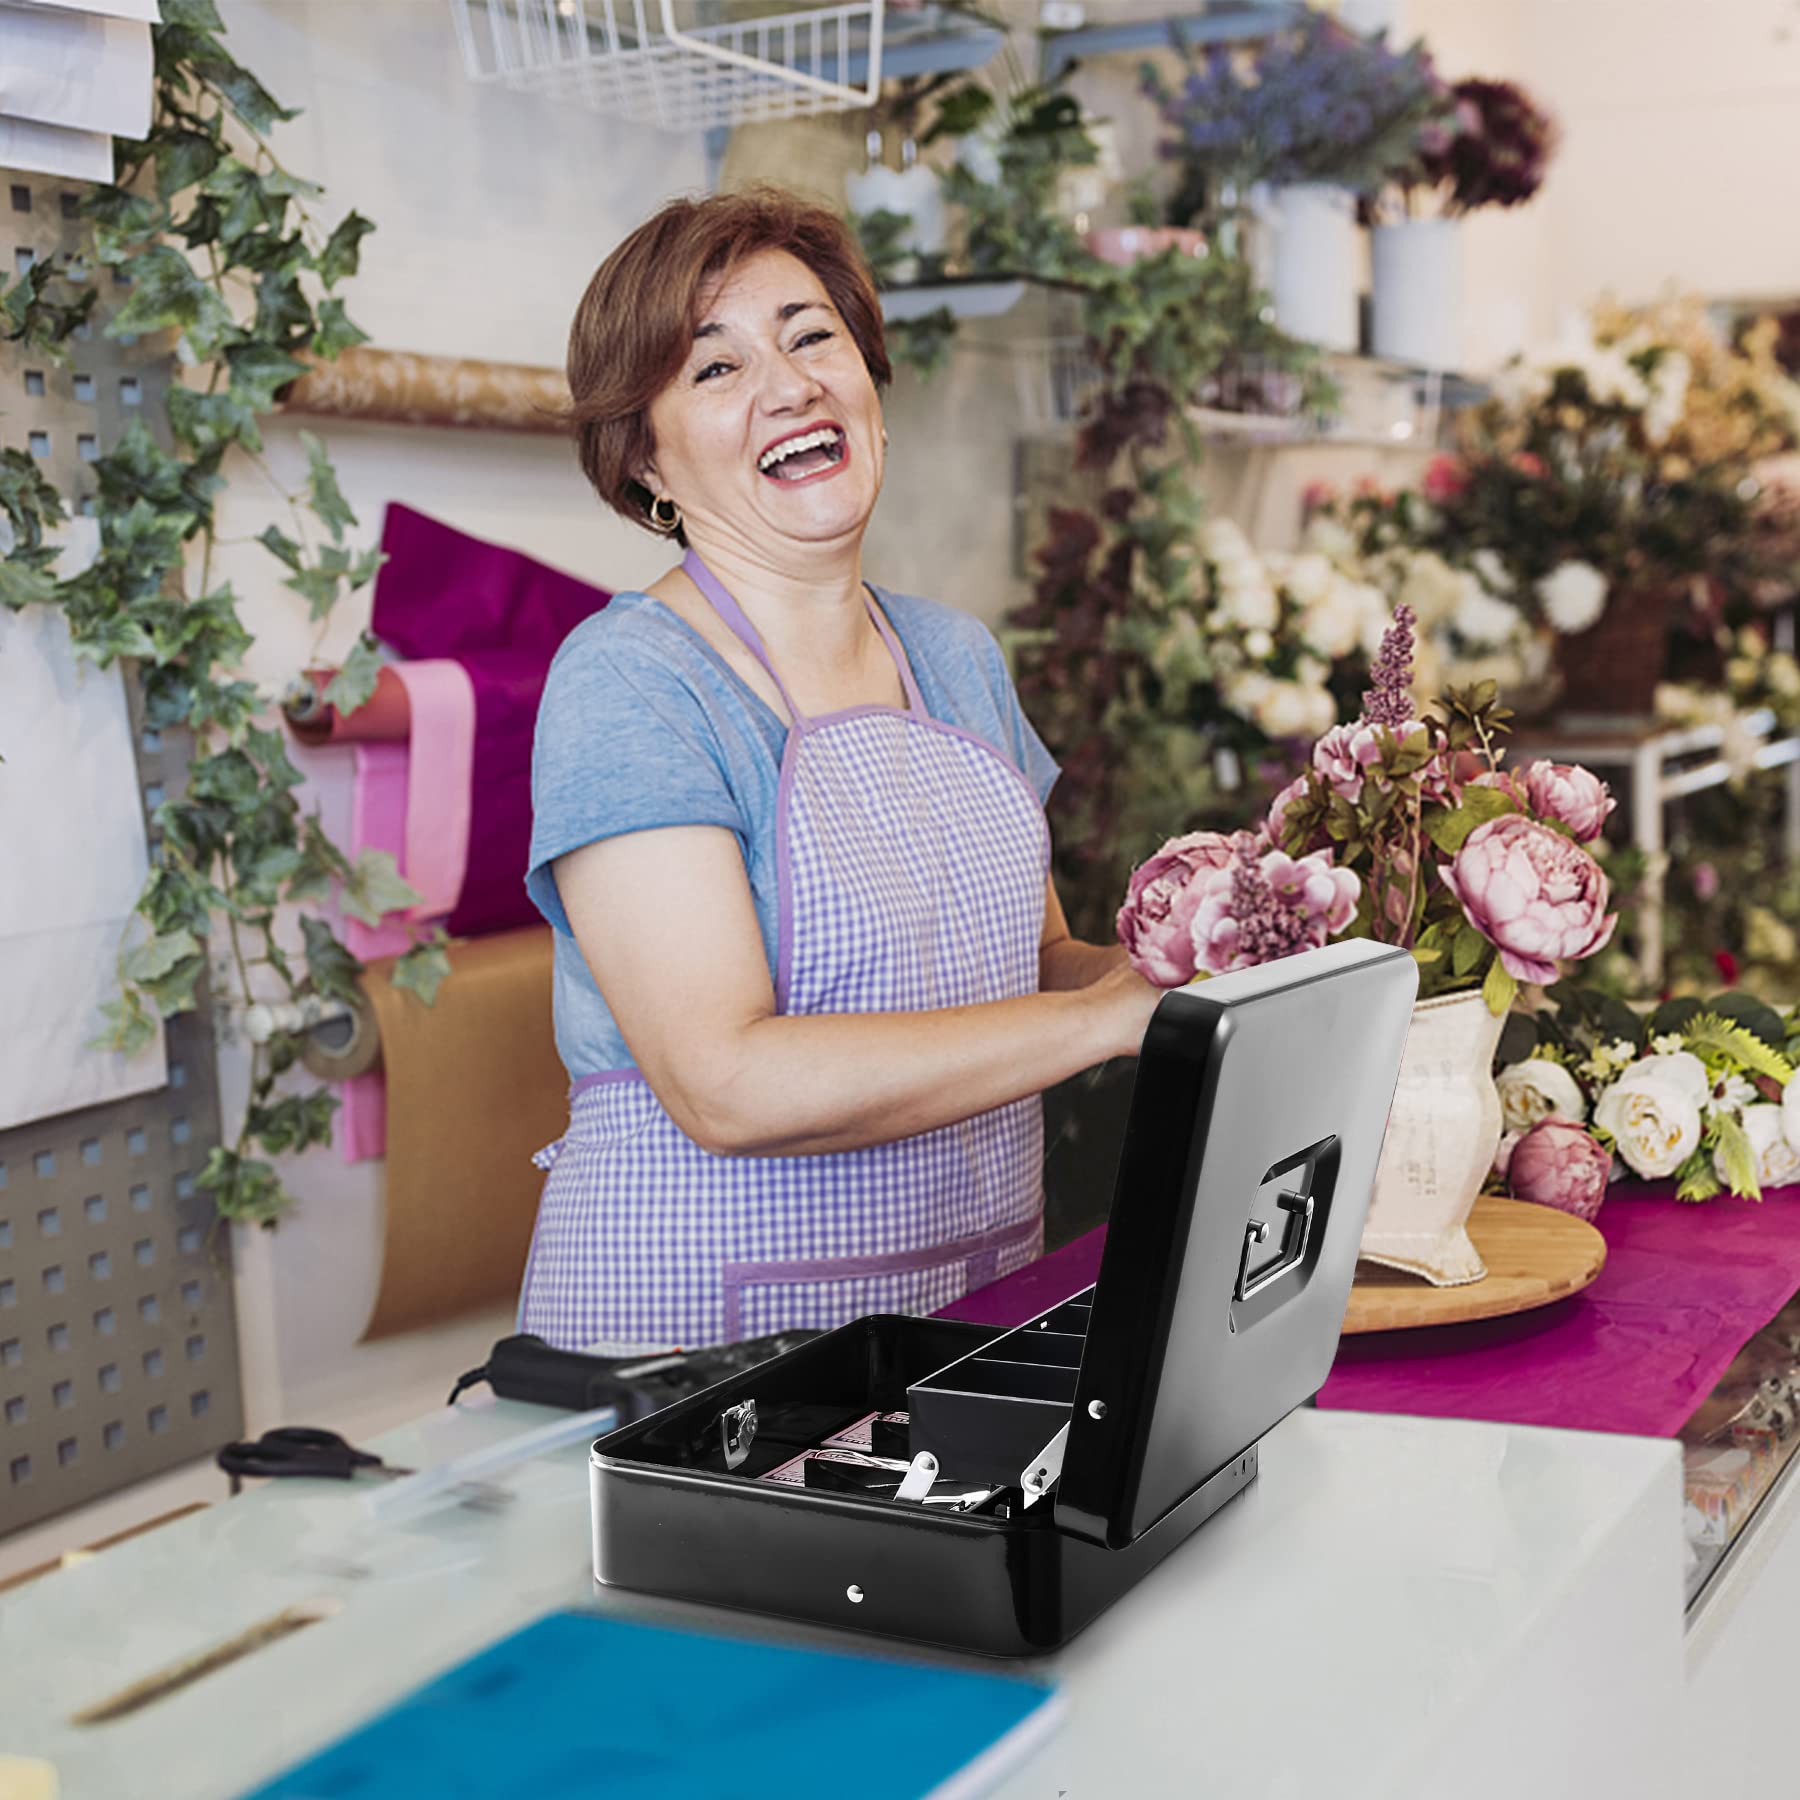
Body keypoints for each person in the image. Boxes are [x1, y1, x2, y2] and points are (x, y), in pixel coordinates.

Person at [519, 186, 1161, 1351]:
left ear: (869, 386)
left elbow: (1044, 963)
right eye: (714, 369)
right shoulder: (630, 683)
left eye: (812, 336)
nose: (790, 382)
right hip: (698, 1353)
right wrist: (1109, 1024)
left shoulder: (955, 656)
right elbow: (726, 1082)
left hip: (967, 1312)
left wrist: (1191, 968)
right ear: (645, 465)